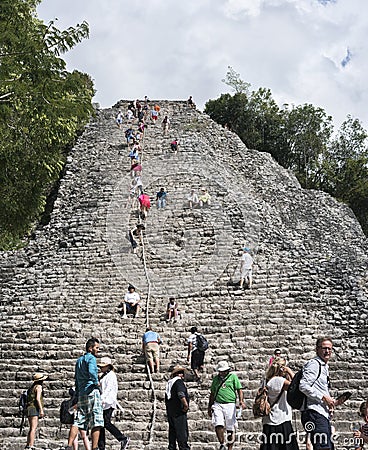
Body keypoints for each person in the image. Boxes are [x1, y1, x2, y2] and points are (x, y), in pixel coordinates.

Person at [300, 336, 342, 450]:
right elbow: (303, 386)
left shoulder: (324, 366)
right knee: (323, 447)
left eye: (329, 348)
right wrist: (323, 397)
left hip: (322, 413)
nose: (327, 351)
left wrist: (329, 403)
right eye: (324, 348)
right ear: (317, 349)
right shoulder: (314, 364)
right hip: (314, 413)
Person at [64, 338, 104, 450]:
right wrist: (97, 383)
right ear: (90, 348)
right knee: (97, 419)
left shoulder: (79, 360)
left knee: (78, 421)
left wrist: (78, 391)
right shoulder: (91, 358)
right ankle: (95, 447)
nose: (98, 350)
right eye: (97, 348)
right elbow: (92, 372)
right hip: (92, 392)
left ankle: (69, 445)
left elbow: (76, 378)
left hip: (82, 393)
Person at [260, 357, 299, 450]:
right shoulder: (278, 381)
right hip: (281, 420)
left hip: (269, 421)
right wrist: (289, 371)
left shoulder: (266, 380)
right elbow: (296, 386)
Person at [207, 361, 245, 450]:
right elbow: (212, 393)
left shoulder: (233, 377)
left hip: (230, 404)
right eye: (221, 371)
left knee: (230, 427)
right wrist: (209, 406)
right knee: (218, 424)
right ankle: (222, 444)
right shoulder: (216, 379)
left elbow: (239, 389)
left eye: (224, 371)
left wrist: (241, 401)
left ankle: (230, 448)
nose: (223, 373)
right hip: (218, 404)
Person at [97, 357, 130, 450]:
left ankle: (122, 438)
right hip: (104, 402)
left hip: (108, 402)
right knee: (101, 424)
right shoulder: (104, 375)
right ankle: (101, 446)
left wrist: (101, 398)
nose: (101, 368)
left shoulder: (111, 375)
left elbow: (108, 389)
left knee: (106, 423)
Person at [165, 366, 190, 450]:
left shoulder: (170, 383)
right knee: (182, 433)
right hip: (179, 412)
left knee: (172, 433)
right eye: (181, 373)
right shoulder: (178, 382)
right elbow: (181, 394)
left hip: (171, 412)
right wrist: (185, 405)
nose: (183, 375)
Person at [25, 372, 48, 450]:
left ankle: (28, 444)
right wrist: (41, 410)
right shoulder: (38, 387)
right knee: (33, 428)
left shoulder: (32, 387)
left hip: (29, 408)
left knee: (31, 428)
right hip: (34, 408)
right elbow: (38, 398)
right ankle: (31, 445)